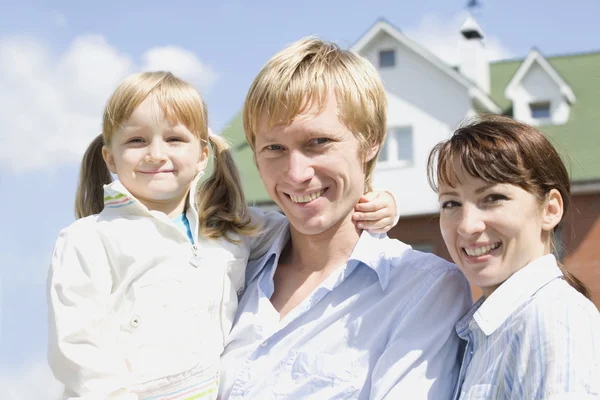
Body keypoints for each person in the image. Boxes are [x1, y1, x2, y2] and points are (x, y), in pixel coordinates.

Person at [46, 71, 399, 399]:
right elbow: (77, 349)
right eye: (137, 140)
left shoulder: (226, 230)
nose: (156, 154)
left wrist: (380, 203)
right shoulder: (88, 240)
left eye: (174, 139)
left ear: (202, 155)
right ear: (110, 156)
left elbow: (302, 224)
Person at [218, 37, 472, 399]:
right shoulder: (235, 265)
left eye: (318, 142)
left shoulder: (423, 290)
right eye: (274, 148)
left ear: (370, 143)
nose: (296, 173)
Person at [427, 115, 600, 399]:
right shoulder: (486, 330)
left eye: (493, 198)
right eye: (451, 203)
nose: (467, 225)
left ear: (550, 210)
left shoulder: (555, 320)